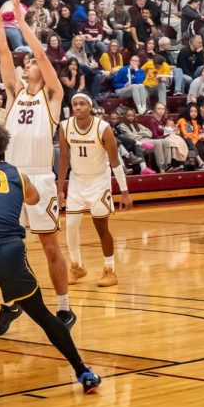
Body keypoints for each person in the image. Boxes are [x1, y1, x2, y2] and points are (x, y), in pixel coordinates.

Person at [0, 119, 102, 393]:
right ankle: (83, 372)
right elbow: (34, 199)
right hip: (11, 252)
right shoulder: (17, 173)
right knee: (42, 315)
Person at [0, 0, 74, 333]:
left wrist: (22, 20)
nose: (28, 63)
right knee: (6, 248)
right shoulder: (14, 93)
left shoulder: (53, 97)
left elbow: (41, 52)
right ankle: (9, 303)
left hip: (41, 180)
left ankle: (64, 308)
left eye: (31, 63)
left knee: (49, 247)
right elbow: (2, 50)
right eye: (26, 62)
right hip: (11, 179)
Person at [58, 93, 129, 288]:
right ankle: (76, 266)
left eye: (82, 104)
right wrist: (59, 189)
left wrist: (124, 191)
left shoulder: (103, 128)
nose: (78, 107)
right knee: (71, 225)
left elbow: (115, 162)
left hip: (99, 182)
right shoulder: (65, 126)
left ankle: (110, 269)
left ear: (90, 107)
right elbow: (63, 159)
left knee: (101, 228)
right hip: (77, 182)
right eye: (75, 104)